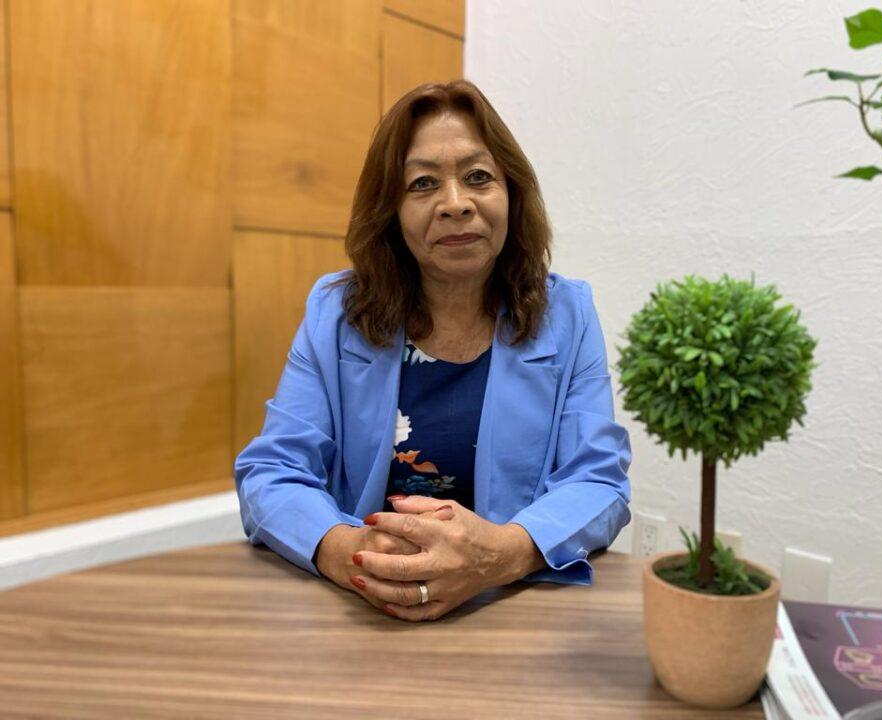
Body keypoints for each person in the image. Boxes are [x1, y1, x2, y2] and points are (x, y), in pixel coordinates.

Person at [234, 79, 631, 622]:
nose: (455, 204)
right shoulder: (335, 312)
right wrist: (346, 550)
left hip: (507, 610)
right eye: (422, 183)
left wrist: (499, 554)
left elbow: (599, 482)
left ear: (511, 192)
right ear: (391, 211)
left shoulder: (568, 313)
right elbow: (271, 471)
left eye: (478, 177)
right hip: (361, 609)